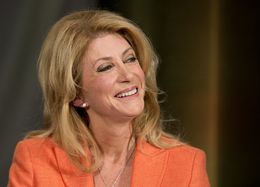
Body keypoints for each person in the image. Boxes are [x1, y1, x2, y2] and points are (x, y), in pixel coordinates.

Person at [8, 10, 210, 187]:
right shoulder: (35, 159)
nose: (127, 75)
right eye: (106, 67)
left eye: (130, 59)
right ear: (76, 94)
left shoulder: (186, 163)